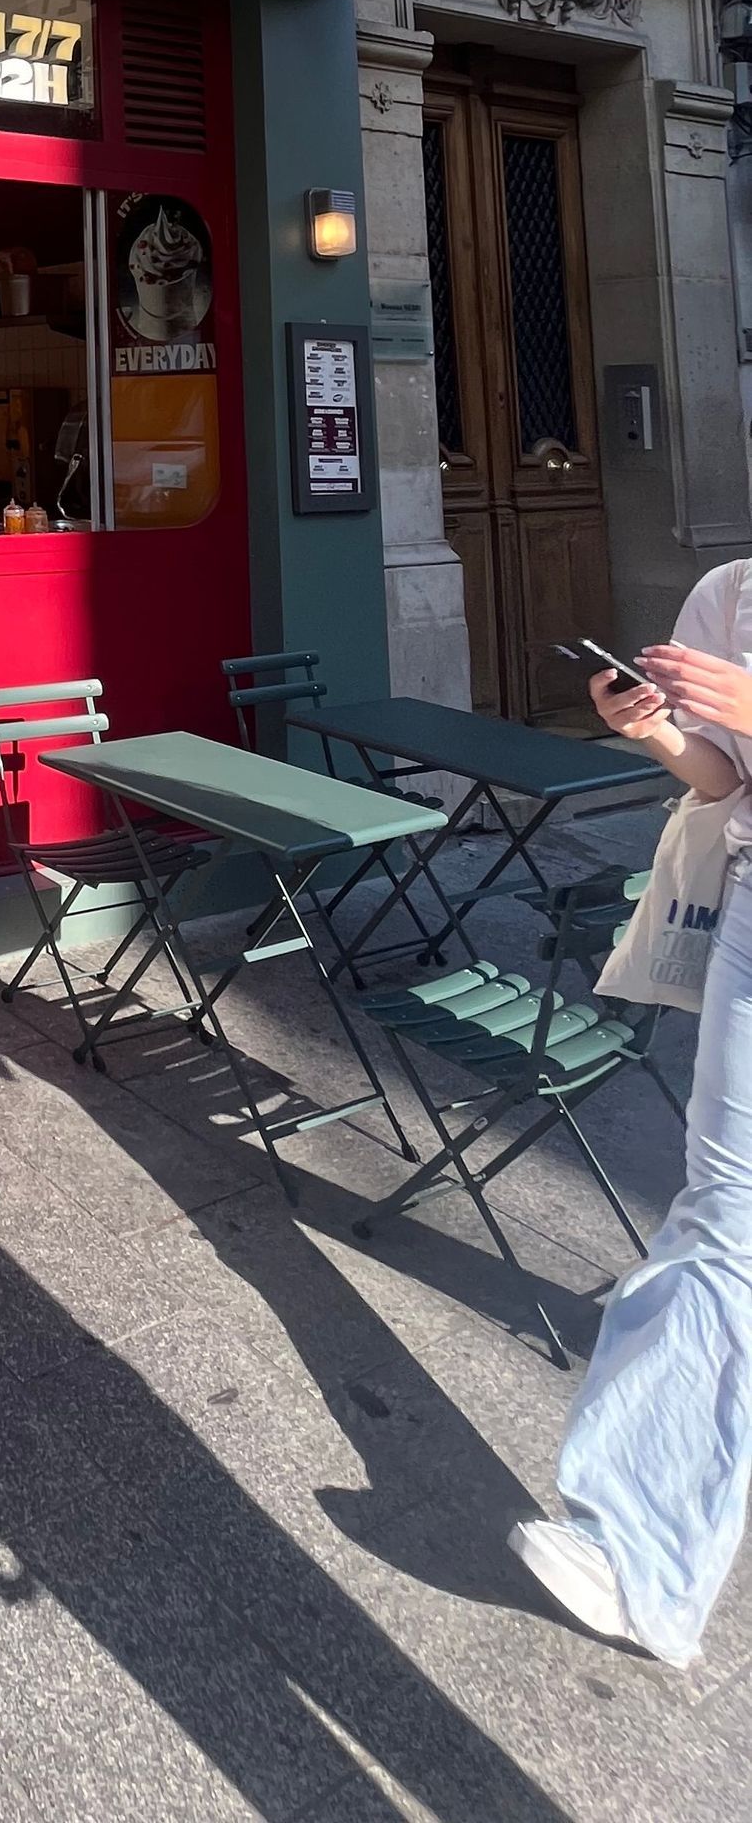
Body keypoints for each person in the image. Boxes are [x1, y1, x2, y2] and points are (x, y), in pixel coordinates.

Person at [508, 567, 752, 1668]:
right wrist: (657, 733)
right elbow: (724, 777)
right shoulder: (734, 592)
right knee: (725, 1215)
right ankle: (641, 1549)